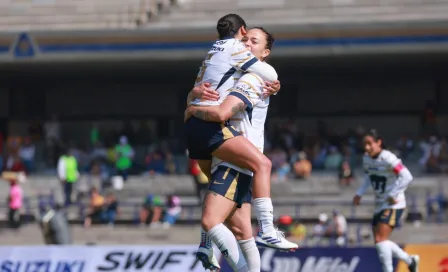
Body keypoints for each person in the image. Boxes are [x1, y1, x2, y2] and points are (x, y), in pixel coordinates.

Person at [189, 27, 297, 272]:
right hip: (238, 159)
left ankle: (263, 230)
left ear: (265, 52)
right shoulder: (239, 73)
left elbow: (222, 113)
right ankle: (215, 248)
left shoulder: (252, 78)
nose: (246, 44)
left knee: (211, 220)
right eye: (245, 39)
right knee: (242, 231)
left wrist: (191, 110)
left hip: (235, 160)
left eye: (254, 41)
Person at [353, 129, 419, 272]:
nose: (367, 147)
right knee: (379, 241)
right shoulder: (367, 159)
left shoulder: (388, 158)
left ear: (379, 142)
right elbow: (369, 176)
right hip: (379, 203)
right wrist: (359, 193)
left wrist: (393, 194)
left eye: (370, 144)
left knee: (380, 239)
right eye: (365, 144)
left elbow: (407, 176)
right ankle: (410, 260)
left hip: (394, 203)